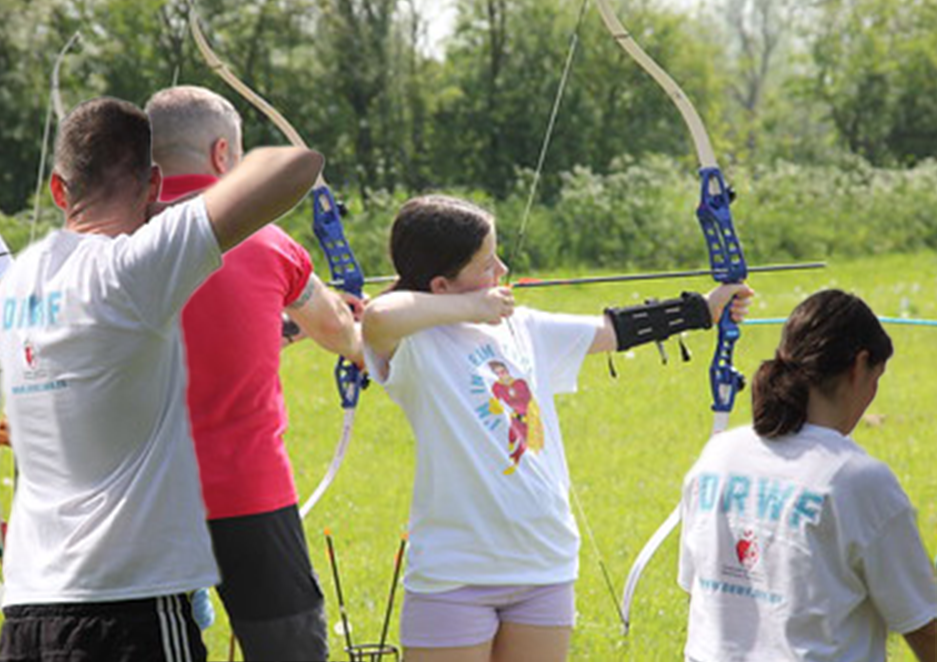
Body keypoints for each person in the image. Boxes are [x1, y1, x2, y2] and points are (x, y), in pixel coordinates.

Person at [361, 194, 753, 662]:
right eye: (487, 264)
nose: (501, 270)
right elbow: (379, 315)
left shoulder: (521, 327)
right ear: (442, 285)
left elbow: (612, 331)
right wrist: (472, 310)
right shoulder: (416, 344)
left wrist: (702, 311)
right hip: (454, 572)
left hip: (543, 562)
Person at [0, 96, 323, 662]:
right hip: (129, 609)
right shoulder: (130, 270)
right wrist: (176, 214)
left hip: (27, 610)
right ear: (151, 186)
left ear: (58, 190)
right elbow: (295, 165)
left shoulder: (18, 285)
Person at [144, 85, 361, 661]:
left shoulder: (101, 243)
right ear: (223, 156)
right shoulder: (267, 239)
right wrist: (356, 333)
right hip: (248, 496)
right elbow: (339, 329)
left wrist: (276, 329)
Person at [678, 289, 937, 661]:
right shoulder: (859, 480)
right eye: (876, 377)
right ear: (859, 366)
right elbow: (925, 626)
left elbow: (699, 587)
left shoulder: (718, 455)